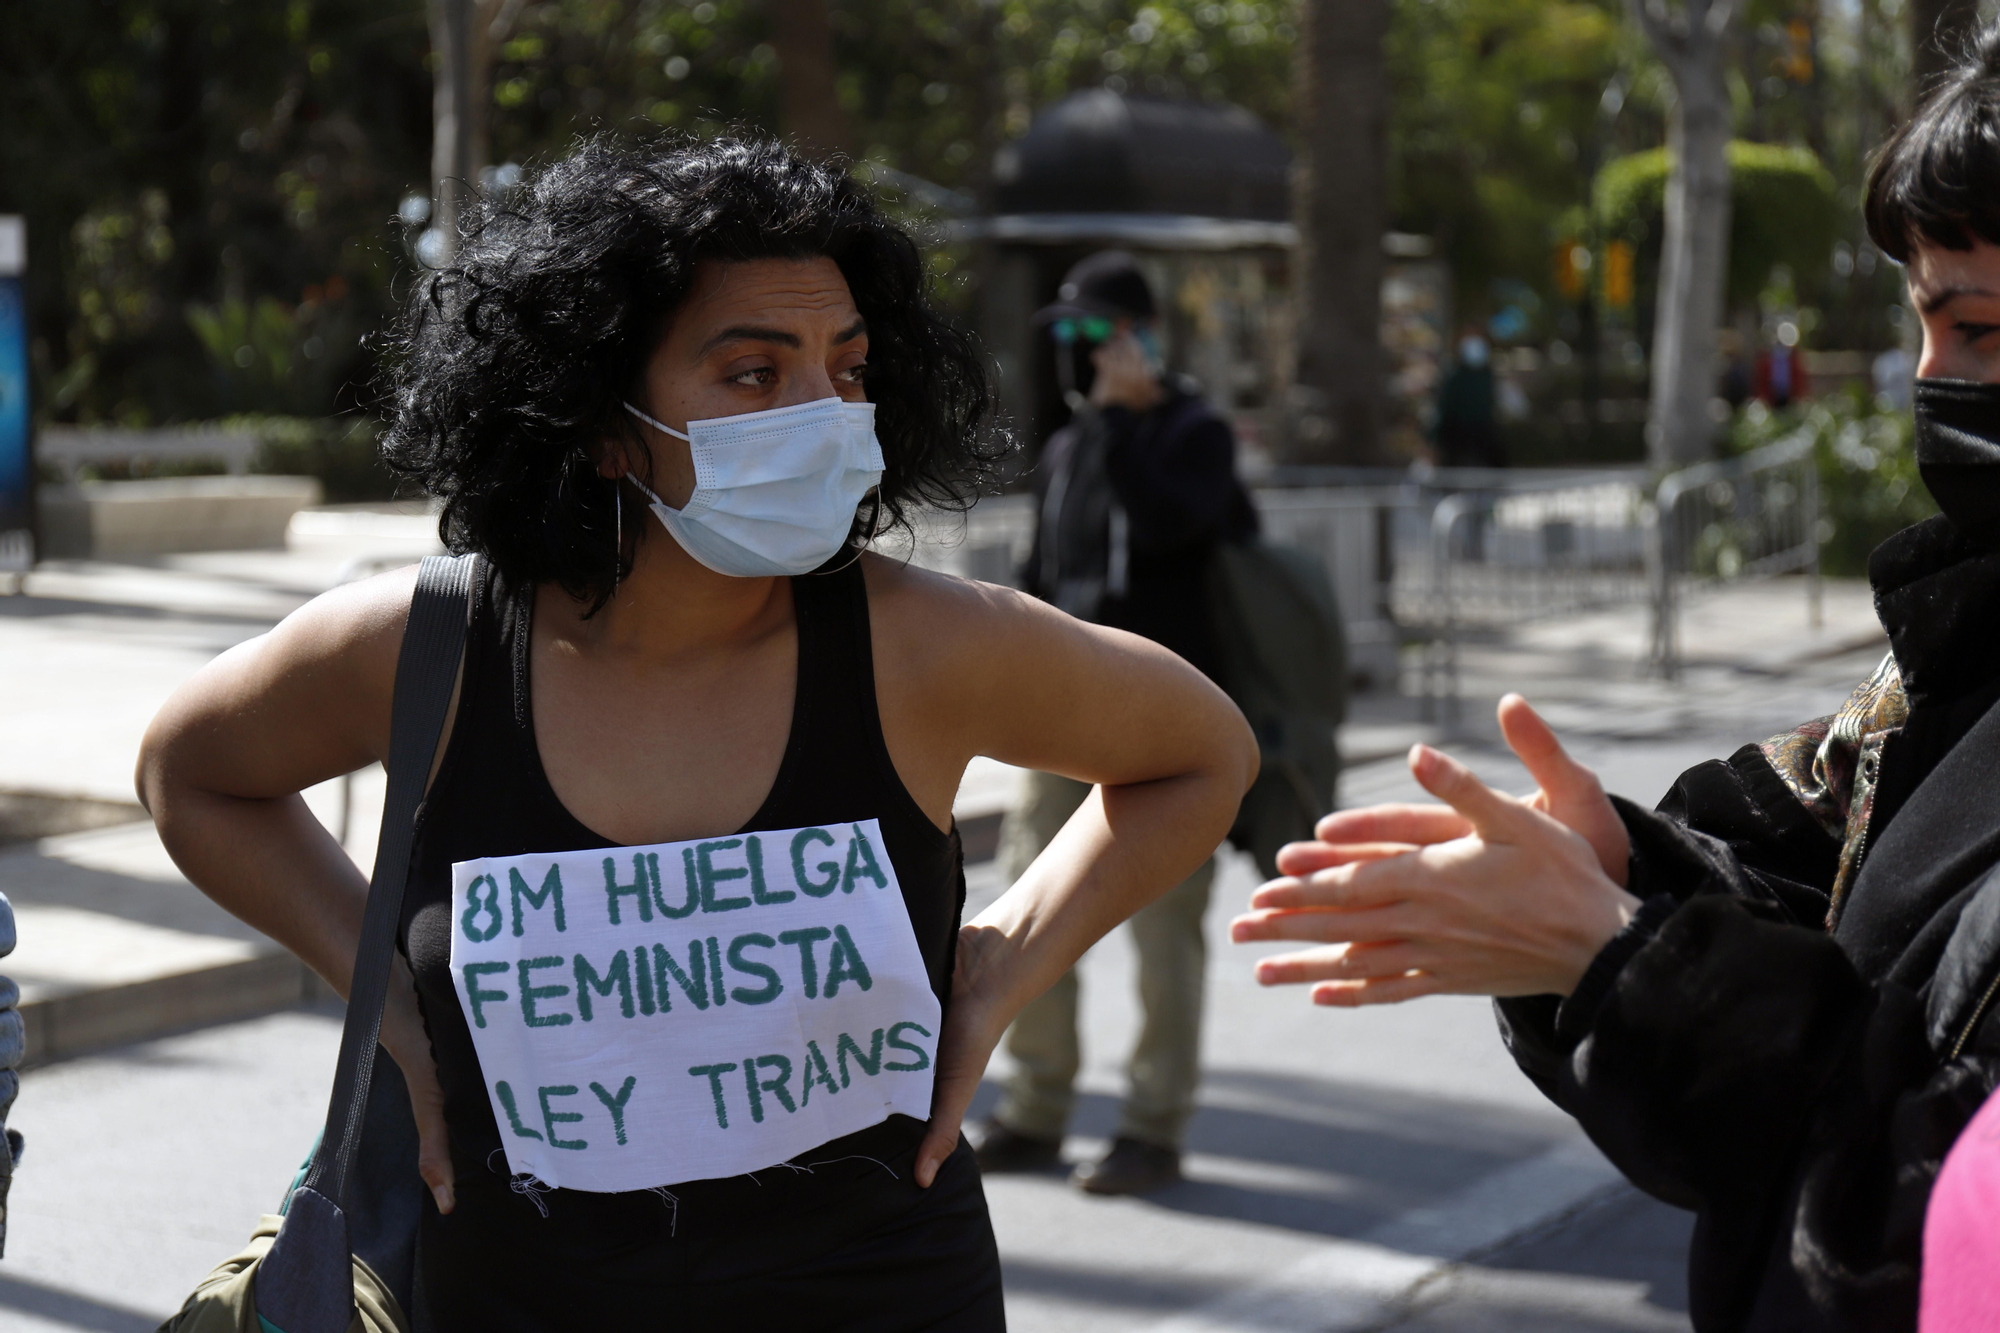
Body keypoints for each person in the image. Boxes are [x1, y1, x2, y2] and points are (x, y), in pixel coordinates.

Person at [136, 139, 1258, 1330]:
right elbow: (190, 773)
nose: (824, 414)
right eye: (751, 375)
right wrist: (392, 1017)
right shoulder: (429, 650)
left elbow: (1201, 752)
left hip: (881, 1293)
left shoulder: (924, 645)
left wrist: (1007, 963)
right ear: (600, 424)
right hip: (513, 1297)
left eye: (848, 364)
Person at [1232, 32, 2000, 1333]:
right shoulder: (1961, 632)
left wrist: (1615, 957)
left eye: (1977, 326)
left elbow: (1925, 1220)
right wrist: (1613, 878)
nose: (1933, 380)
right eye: (1924, 320)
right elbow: (1840, 907)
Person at [970, 251, 1258, 1196]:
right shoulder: (1068, 444)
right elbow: (1043, 581)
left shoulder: (1192, 433)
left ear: (1140, 337)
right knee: (1028, 901)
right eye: (1073, 335)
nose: (1084, 352)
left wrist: (1133, 426)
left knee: (1162, 931)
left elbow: (1180, 525)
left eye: (1099, 332)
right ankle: (1037, 1106)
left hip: (1168, 728)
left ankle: (1152, 1126)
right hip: (1060, 724)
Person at [1433, 328, 1506, 469]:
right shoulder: (1455, 376)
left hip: (1483, 429)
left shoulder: (1487, 376)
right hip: (1456, 431)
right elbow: (1445, 407)